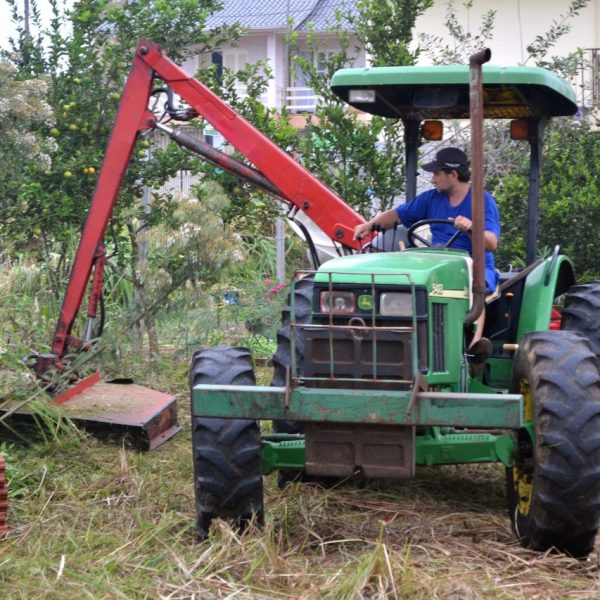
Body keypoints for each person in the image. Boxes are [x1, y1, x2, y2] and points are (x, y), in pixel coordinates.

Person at [353, 147, 500, 360]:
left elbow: (491, 243)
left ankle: (474, 350)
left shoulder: (482, 201)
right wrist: (371, 224)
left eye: (436, 174)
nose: (432, 180)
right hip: (437, 260)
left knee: (474, 283)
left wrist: (470, 228)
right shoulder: (431, 198)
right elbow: (398, 215)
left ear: (453, 175)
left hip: (473, 264)